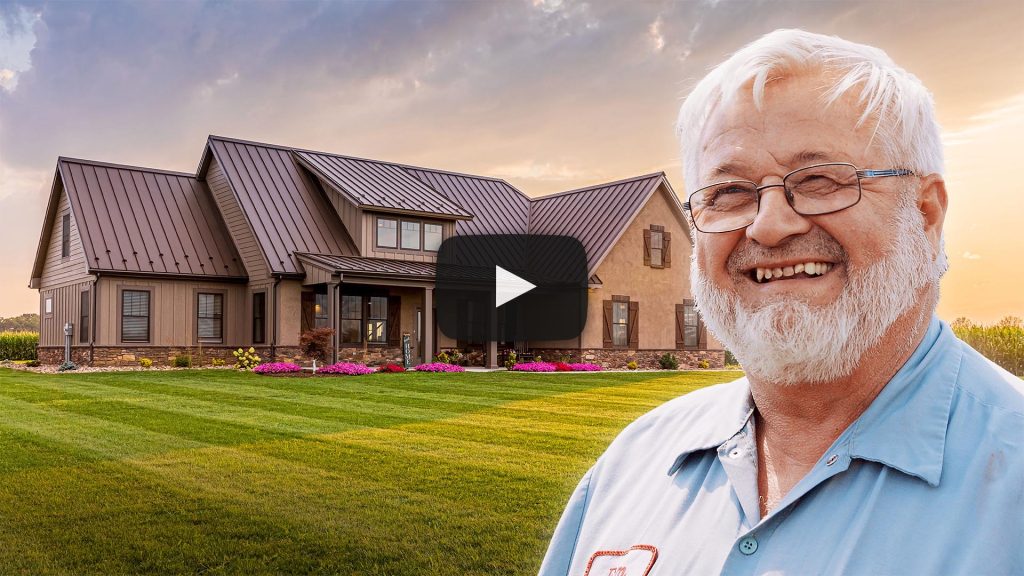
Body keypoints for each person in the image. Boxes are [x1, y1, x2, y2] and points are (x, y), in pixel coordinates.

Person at [539, 29, 1023, 576]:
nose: (768, 226)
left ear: (927, 213)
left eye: (819, 180)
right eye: (730, 193)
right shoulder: (634, 464)